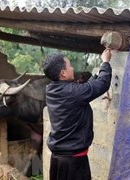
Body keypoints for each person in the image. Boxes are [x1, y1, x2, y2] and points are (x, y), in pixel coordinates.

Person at [43, 49, 112, 180]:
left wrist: (96, 74)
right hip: (73, 161)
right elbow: (102, 85)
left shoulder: (52, 90)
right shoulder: (73, 92)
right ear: (63, 73)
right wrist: (105, 62)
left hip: (58, 158)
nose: (72, 68)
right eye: (69, 65)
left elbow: (88, 87)